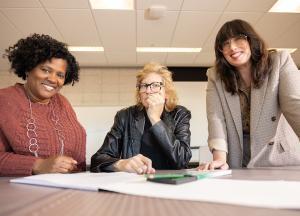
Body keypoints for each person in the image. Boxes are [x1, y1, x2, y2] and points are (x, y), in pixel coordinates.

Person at [198, 19, 300, 170]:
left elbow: (295, 106)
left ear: (251, 39)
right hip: (239, 158)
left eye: (238, 38)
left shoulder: (279, 61)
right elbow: (216, 119)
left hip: (278, 157)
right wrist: (219, 158)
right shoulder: (216, 76)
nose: (232, 47)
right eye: (225, 44)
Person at [0, 34, 86, 176]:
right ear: (28, 69)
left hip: (69, 187)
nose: (53, 79)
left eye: (60, 75)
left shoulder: (63, 103)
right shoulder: (4, 100)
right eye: (45, 70)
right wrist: (38, 164)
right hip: (19, 193)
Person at [91, 63, 192, 174]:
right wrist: (121, 164)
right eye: (143, 86)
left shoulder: (180, 114)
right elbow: (97, 159)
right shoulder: (125, 116)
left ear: (166, 92)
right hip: (135, 183)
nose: (148, 91)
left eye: (155, 85)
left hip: (171, 184)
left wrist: (155, 119)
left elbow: (182, 160)